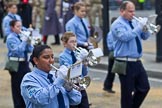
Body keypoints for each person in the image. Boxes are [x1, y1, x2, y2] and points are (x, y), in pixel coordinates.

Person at [111, 1, 150, 108]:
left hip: (137, 61)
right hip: (124, 62)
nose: (133, 14)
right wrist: (139, 27)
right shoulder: (117, 24)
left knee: (144, 87)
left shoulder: (134, 22)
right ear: (122, 11)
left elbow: (144, 37)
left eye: (134, 11)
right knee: (127, 93)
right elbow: (125, 37)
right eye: (130, 11)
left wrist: (146, 28)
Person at [5, 20, 33, 108]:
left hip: (24, 63)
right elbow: (17, 51)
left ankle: (26, 105)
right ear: (12, 28)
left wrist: (28, 41)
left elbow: (30, 50)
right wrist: (24, 41)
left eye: (20, 26)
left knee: (26, 85)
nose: (20, 28)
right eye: (17, 26)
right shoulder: (10, 38)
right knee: (17, 88)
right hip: (16, 64)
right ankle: (18, 105)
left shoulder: (20, 36)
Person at [59, 31, 90, 108]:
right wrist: (79, 60)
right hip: (71, 87)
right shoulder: (62, 56)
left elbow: (84, 73)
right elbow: (70, 72)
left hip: (81, 85)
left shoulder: (77, 54)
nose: (74, 44)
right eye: (72, 41)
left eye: (75, 41)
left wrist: (85, 64)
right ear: (65, 44)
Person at [103, 17, 117, 94]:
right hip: (113, 54)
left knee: (111, 72)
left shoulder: (112, 33)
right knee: (111, 71)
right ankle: (107, 86)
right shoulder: (111, 33)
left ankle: (107, 86)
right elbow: (110, 46)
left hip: (115, 53)